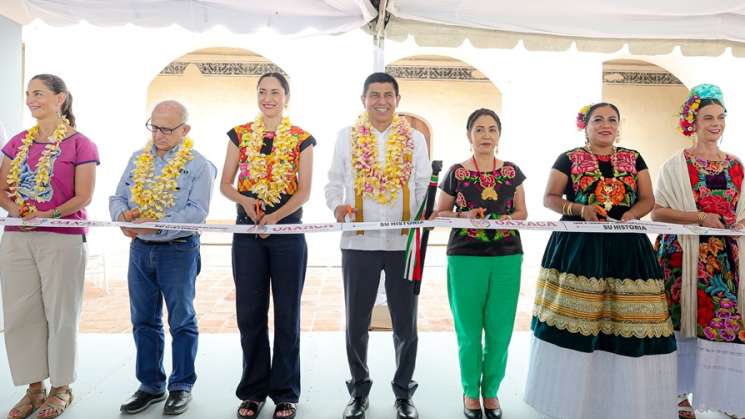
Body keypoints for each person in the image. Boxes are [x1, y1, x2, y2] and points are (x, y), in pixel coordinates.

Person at [524, 103, 677, 419]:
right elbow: (550, 198)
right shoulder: (568, 158)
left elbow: (647, 199)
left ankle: (621, 401)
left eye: (612, 120)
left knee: (630, 322)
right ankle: (575, 402)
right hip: (578, 249)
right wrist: (582, 210)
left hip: (628, 248)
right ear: (586, 126)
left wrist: (630, 216)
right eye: (598, 120)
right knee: (579, 320)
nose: (605, 125)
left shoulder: (634, 158)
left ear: (619, 126)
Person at [325, 72, 430, 419]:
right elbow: (334, 182)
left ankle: (403, 393)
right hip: (358, 243)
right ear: (363, 100)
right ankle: (358, 391)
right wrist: (336, 206)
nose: (381, 101)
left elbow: (421, 185)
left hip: (403, 244)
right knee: (356, 321)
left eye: (388, 94)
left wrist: (414, 226)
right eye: (374, 95)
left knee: (405, 323)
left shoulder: (414, 138)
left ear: (398, 100)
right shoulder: (347, 137)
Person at [0, 74, 99, 419]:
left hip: (62, 237)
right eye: (28, 94)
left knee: (60, 313)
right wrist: (17, 210)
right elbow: (2, 190)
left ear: (60, 99)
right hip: (17, 236)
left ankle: (60, 387)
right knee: (19, 315)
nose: (31, 100)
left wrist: (48, 213)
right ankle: (33, 388)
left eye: (38, 93)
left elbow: (83, 195)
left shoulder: (80, 144)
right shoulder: (16, 143)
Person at [110, 100, 216, 416]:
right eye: (154, 126)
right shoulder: (136, 159)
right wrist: (122, 217)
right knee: (143, 320)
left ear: (185, 130)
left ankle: (181, 386)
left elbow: (196, 213)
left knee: (181, 320)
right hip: (140, 250)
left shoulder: (199, 164)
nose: (159, 134)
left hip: (179, 251)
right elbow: (117, 197)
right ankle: (150, 386)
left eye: (167, 129)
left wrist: (155, 225)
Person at [220, 72, 315, 419]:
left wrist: (275, 218)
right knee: (250, 312)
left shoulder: (303, 139)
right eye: (262, 92)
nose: (268, 98)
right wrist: (246, 202)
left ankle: (286, 392)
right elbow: (226, 185)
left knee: (287, 313)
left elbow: (304, 191)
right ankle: (253, 391)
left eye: (275, 92)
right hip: (247, 230)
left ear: (287, 97)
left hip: (287, 230)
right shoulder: (240, 134)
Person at [653, 84, 745, 419]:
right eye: (708, 117)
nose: (716, 123)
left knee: (723, 325)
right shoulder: (677, 164)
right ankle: (678, 395)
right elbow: (659, 212)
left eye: (721, 117)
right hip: (682, 257)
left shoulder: (736, 165)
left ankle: (724, 395)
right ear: (693, 122)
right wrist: (700, 217)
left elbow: (741, 207)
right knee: (682, 324)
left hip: (722, 260)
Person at [434, 108, 527, 419]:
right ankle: (470, 392)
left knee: (500, 331)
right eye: (479, 129)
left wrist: (502, 220)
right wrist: (463, 216)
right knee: (469, 331)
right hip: (465, 257)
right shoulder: (456, 172)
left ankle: (491, 391)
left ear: (499, 135)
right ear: (469, 135)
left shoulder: (512, 172)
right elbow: (439, 213)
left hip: (507, 257)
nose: (486, 135)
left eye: (491, 129)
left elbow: (521, 214)